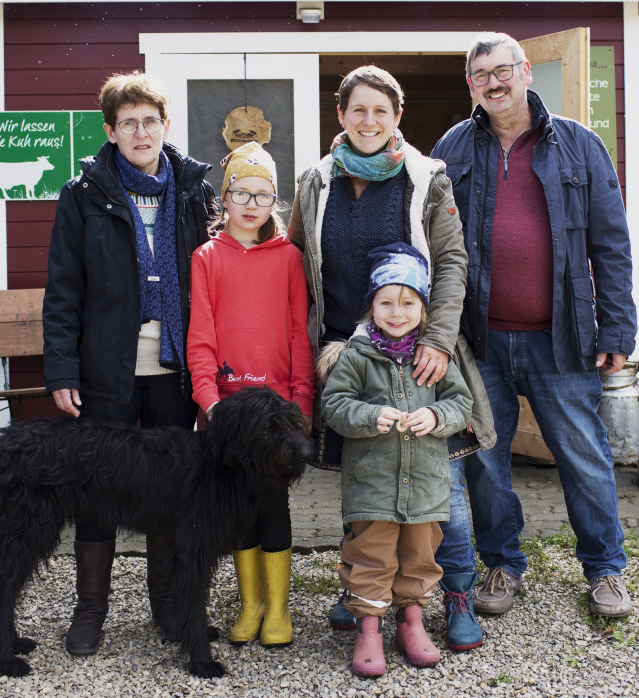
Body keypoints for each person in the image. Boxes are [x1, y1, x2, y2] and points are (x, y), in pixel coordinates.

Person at [430, 33, 638, 619]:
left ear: (526, 72)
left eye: (502, 71)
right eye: (480, 76)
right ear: (470, 85)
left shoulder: (579, 145)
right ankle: (502, 563)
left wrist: (617, 329)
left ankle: (605, 570)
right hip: (479, 340)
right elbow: (433, 242)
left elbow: (611, 244)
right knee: (485, 464)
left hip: (563, 336)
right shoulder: (452, 147)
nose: (493, 83)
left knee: (584, 456)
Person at [287, 65, 495, 652]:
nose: (369, 121)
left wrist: (438, 340)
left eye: (381, 110)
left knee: (441, 485)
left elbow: (451, 263)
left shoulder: (426, 178)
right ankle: (367, 595)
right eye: (358, 110)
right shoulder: (316, 181)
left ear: (397, 117)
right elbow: (295, 259)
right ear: (341, 117)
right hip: (349, 354)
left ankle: (451, 590)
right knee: (366, 479)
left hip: (417, 348)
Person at [42, 71, 217, 656]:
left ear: (165, 127)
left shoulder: (194, 191)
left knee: (168, 490)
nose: (140, 132)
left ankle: (167, 608)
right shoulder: (82, 194)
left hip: (176, 368)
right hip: (107, 369)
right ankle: (90, 609)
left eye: (150, 121)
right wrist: (62, 370)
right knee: (98, 489)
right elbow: (63, 290)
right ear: (110, 131)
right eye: (128, 123)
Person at [319, 243, 474, 677]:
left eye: (408, 302)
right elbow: (334, 405)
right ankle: (369, 629)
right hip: (373, 485)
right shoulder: (357, 354)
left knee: (420, 558)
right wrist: (369, 415)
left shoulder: (434, 356)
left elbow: (462, 404)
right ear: (371, 306)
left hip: (425, 485)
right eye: (385, 302)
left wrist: (438, 415)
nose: (396, 311)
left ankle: (411, 623)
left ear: (423, 308)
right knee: (370, 557)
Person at [186, 142, 314, 648]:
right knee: (237, 503)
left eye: (263, 194)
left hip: (278, 411)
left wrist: (301, 403)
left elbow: (299, 336)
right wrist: (208, 399)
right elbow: (201, 336)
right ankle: (250, 603)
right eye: (241, 192)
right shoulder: (206, 257)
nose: (251, 203)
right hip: (227, 410)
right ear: (225, 197)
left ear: (275, 202)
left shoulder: (288, 259)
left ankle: (278, 607)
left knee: (272, 503)